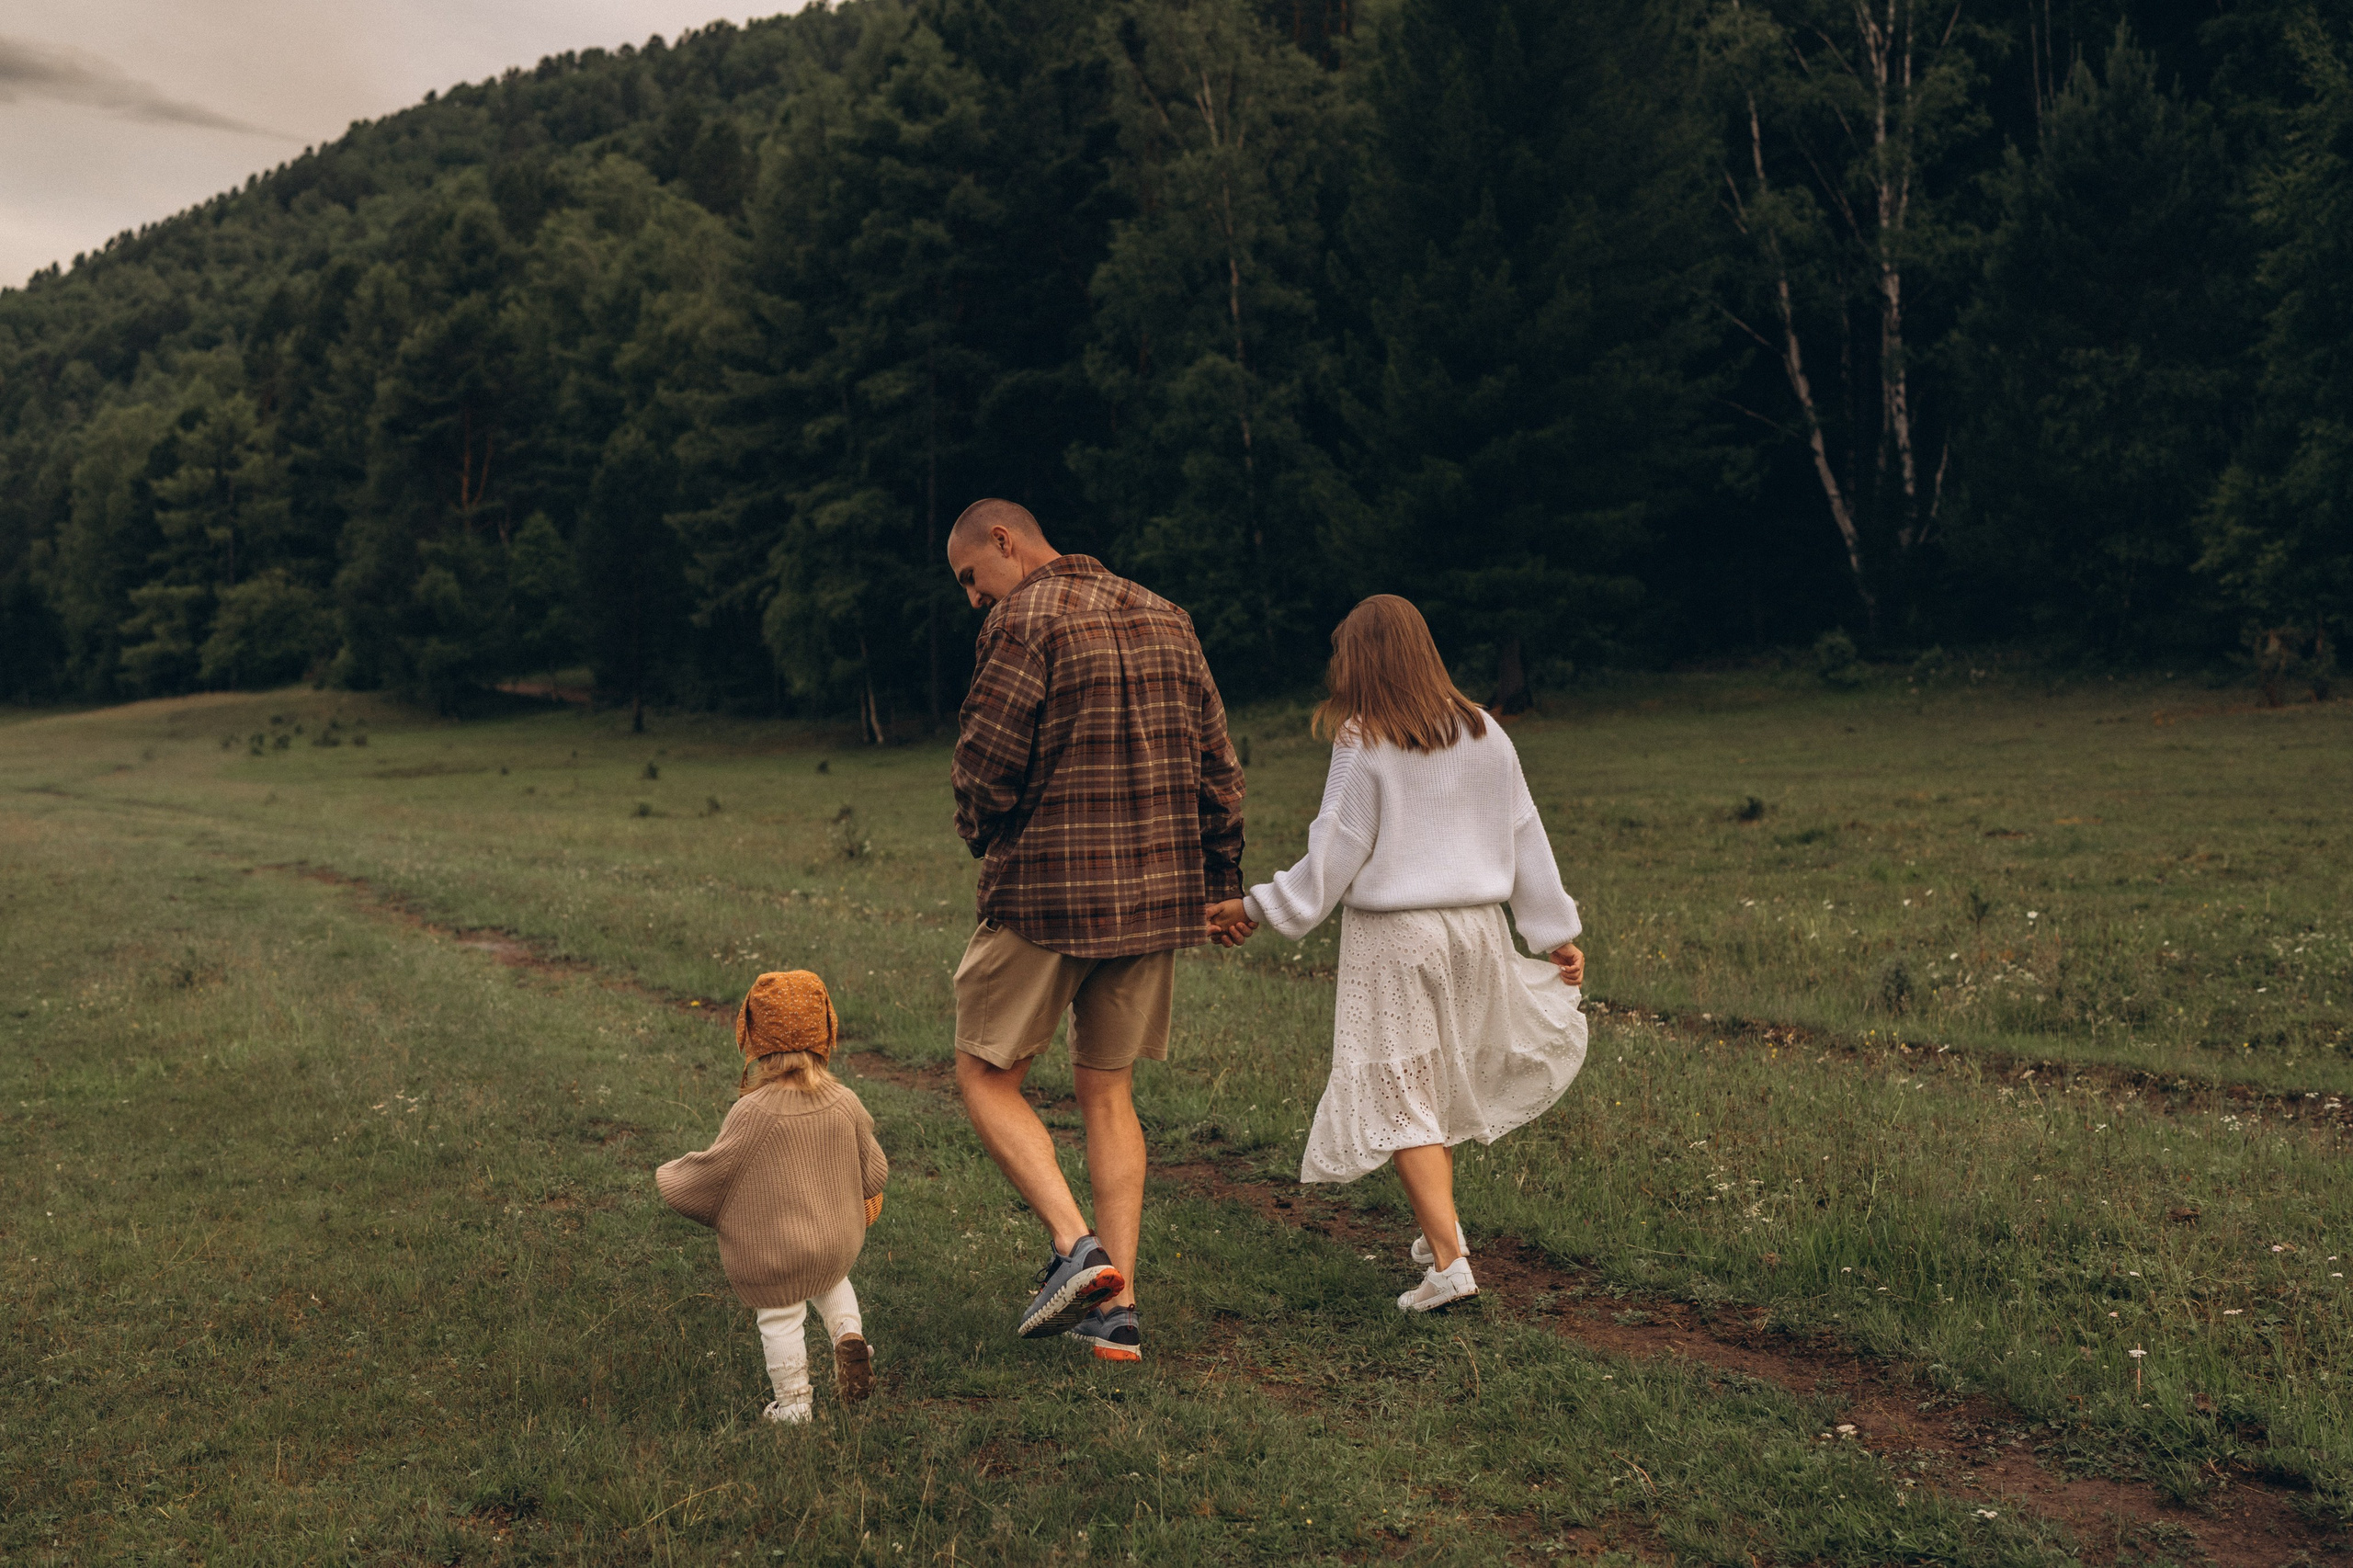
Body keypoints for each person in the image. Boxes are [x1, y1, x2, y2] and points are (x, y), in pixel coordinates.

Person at [1209, 595, 1586, 1313]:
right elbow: (1525, 831)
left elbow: (1337, 849)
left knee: (1400, 1085)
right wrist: (1551, 930)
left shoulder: (1364, 737)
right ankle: (1437, 1228)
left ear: (1361, 659)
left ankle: (1450, 1265)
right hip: (1477, 931)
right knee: (1432, 1079)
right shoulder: (1485, 730)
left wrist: (1257, 904)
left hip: (1400, 938)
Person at [946, 497, 1246, 1362]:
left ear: (1004, 541)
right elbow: (1218, 766)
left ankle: (1076, 1249)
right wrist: (1219, 882)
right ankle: (1119, 1314)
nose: (974, 598)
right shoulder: (1168, 615)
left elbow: (985, 765)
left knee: (984, 1074)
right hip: (1155, 899)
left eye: (972, 577)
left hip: (1048, 893)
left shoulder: (1021, 620)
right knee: (1107, 1092)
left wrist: (979, 829)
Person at [655, 970, 890, 1422]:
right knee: (831, 1280)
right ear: (826, 1034)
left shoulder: (751, 1113)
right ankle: (848, 1335)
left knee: (780, 1316)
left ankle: (795, 1404)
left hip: (778, 1252)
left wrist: (671, 1176)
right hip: (836, 1241)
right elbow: (875, 1170)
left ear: (754, 1040)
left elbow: (716, 1174)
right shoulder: (846, 1101)